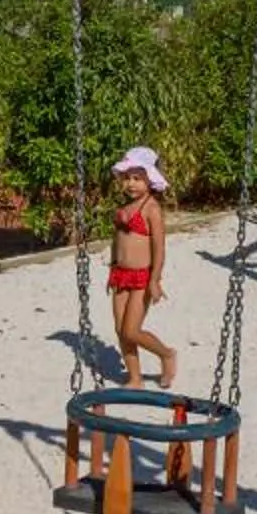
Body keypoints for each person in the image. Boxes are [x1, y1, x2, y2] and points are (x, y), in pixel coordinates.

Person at [105, 146, 178, 389]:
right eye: (127, 178)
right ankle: (135, 379)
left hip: (142, 277)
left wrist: (155, 279)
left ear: (150, 179)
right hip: (120, 275)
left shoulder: (151, 209)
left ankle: (166, 354)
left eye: (137, 178)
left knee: (132, 331)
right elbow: (117, 242)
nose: (131, 184)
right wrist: (112, 268)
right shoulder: (123, 210)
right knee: (120, 330)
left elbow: (159, 247)